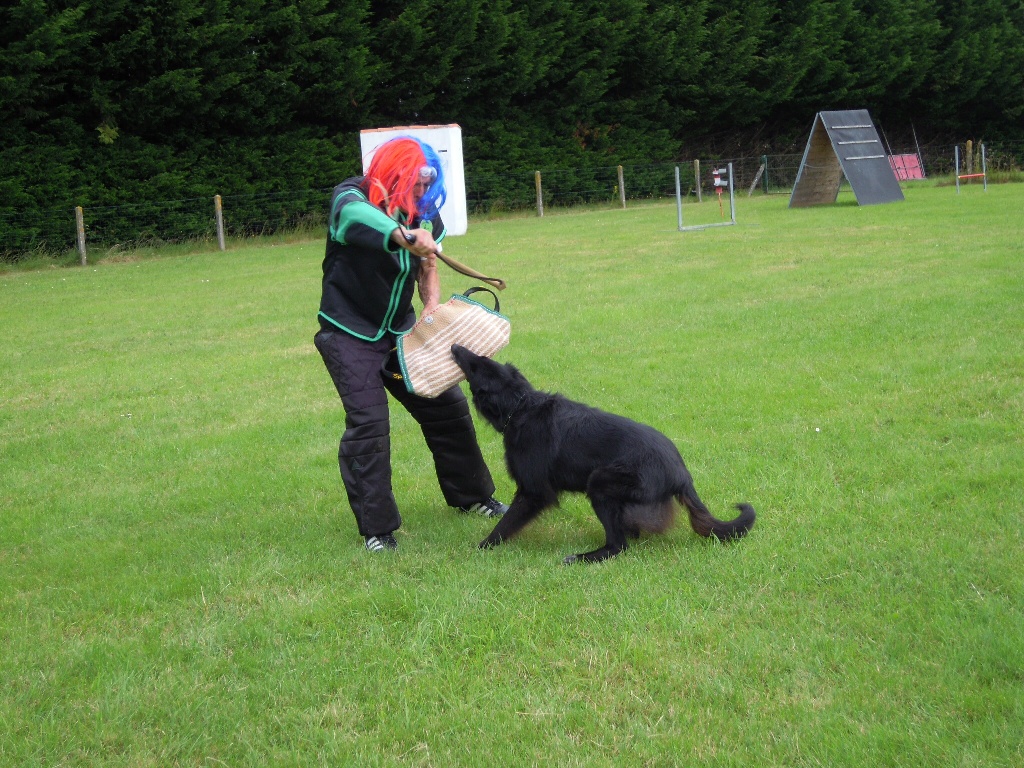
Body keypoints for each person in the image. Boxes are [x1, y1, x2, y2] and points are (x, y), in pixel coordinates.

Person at [314, 136, 507, 552]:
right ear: (392, 173)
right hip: (348, 334)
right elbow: (359, 219)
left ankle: (475, 498)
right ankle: (377, 532)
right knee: (369, 425)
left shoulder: (427, 218)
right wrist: (404, 235)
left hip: (400, 333)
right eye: (414, 184)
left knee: (448, 409)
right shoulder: (349, 197)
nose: (421, 193)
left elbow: (428, 264)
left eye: (426, 186)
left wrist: (432, 303)